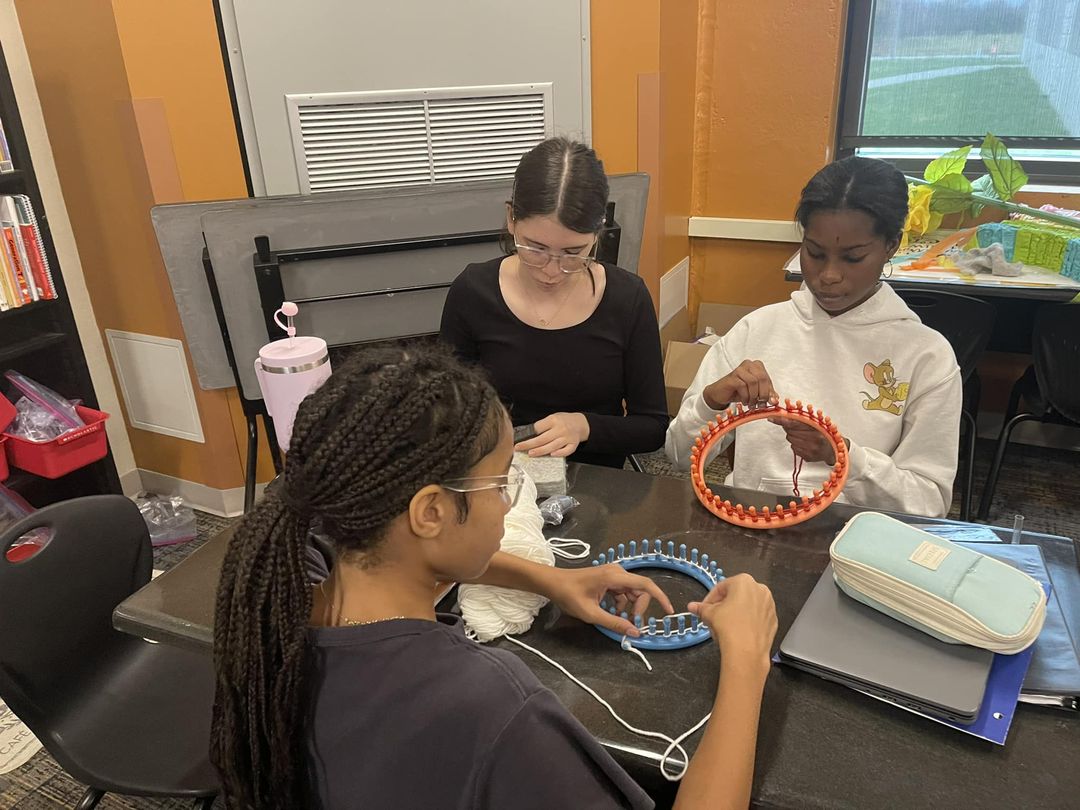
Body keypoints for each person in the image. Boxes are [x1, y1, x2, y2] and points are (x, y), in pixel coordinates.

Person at [211, 343, 777, 810]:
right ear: (430, 511)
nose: (509, 506)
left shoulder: (281, 590)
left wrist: (551, 580)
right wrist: (747, 661)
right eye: (502, 482)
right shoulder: (493, 708)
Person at [666, 157, 961, 518]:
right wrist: (710, 402)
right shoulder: (756, 331)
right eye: (815, 253)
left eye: (853, 257)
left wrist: (842, 456)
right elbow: (678, 458)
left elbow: (928, 503)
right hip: (751, 524)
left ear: (891, 246)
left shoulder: (926, 355)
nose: (829, 275)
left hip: (857, 536)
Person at [440, 137, 668, 468]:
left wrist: (584, 426)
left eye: (573, 253)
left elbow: (652, 426)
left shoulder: (627, 299)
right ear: (511, 220)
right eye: (534, 248)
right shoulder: (473, 292)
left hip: (596, 482)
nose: (551, 270)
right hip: (500, 475)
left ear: (597, 232)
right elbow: (447, 411)